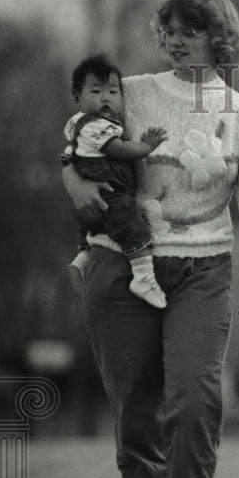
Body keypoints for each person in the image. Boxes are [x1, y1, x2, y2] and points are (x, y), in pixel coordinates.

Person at [61, 0, 239, 478]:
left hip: (203, 269)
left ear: (219, 35)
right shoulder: (131, 93)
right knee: (135, 412)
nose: (179, 40)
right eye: (171, 30)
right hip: (120, 266)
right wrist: (70, 181)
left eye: (192, 29)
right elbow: (80, 141)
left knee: (193, 403)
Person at [65, 53, 169, 308]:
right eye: (96, 91)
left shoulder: (80, 126)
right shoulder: (95, 126)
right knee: (132, 225)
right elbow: (119, 150)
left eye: (113, 92)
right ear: (77, 98)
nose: (105, 98)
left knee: (98, 233)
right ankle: (143, 276)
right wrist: (146, 145)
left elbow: (68, 157)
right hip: (110, 196)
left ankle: (83, 258)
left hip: (92, 202)